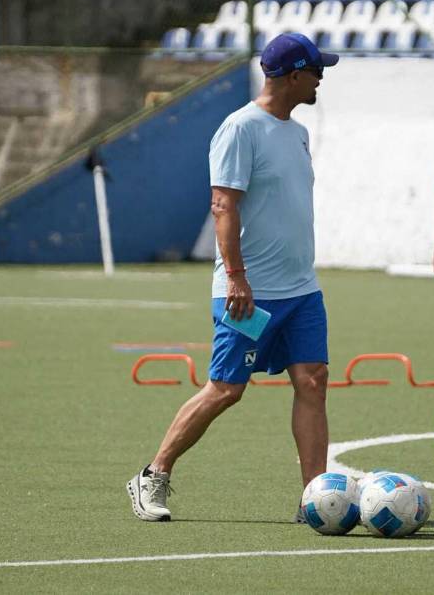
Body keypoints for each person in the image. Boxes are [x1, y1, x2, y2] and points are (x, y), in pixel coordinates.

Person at [127, 33, 337, 522]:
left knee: (313, 381)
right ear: (292, 76)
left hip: (302, 290)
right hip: (249, 292)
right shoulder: (240, 128)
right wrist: (238, 278)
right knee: (226, 389)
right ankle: (153, 475)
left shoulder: (297, 131)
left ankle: (314, 498)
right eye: (315, 70)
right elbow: (223, 204)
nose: (321, 77)